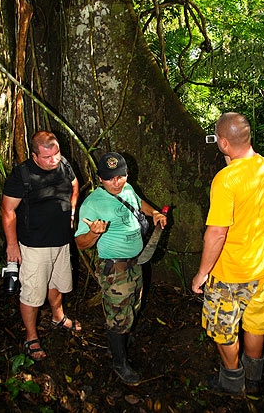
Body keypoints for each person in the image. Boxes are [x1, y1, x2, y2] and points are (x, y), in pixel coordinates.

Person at [192, 113, 264, 396]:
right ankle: (254, 378)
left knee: (222, 329)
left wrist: (202, 274)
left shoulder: (225, 180)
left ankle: (231, 380)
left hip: (232, 272)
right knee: (255, 323)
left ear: (223, 142)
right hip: (262, 265)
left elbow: (217, 233)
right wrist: (232, 159)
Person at [75, 152, 167, 385]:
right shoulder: (93, 203)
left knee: (133, 304)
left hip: (136, 262)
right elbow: (80, 243)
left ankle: (122, 338)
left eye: (120, 176)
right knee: (117, 316)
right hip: (114, 268)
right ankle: (119, 362)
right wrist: (94, 233)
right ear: (99, 178)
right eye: (109, 178)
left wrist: (154, 212)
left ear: (126, 174)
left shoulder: (127, 189)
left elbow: (138, 202)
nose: (116, 183)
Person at [1, 130, 80, 361]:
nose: (53, 160)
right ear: (35, 155)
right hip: (34, 245)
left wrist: (72, 212)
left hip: (62, 241)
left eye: (56, 154)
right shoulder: (22, 174)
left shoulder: (63, 164)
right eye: (47, 157)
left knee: (58, 284)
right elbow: (8, 210)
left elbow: (75, 186)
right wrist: (12, 245)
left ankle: (58, 316)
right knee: (33, 293)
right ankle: (31, 336)